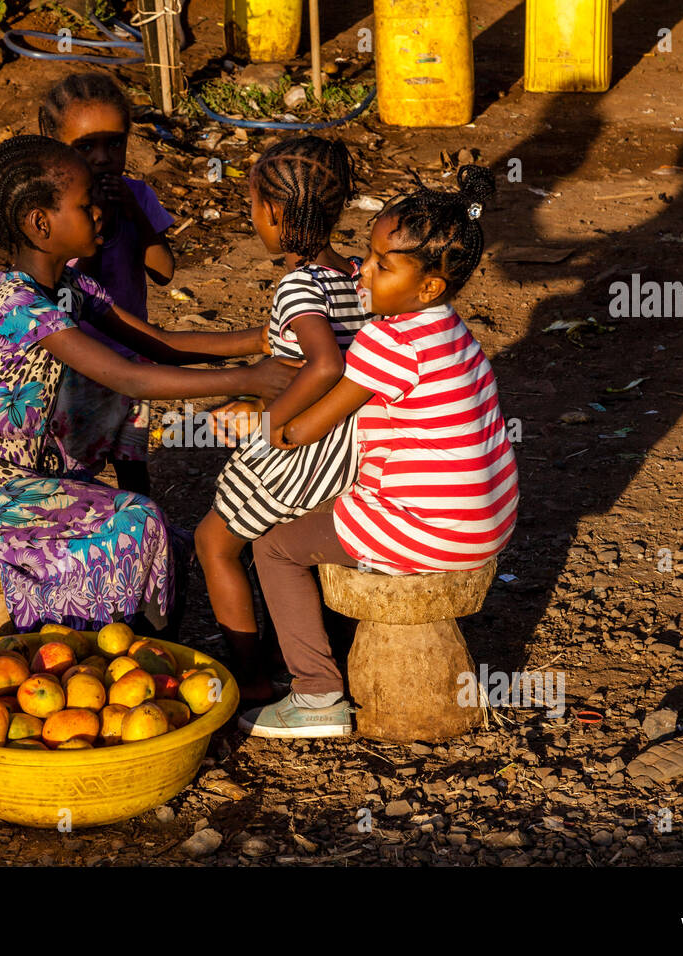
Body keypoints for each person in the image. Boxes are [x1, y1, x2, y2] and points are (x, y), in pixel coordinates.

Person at [0, 134, 298, 633]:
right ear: (40, 223)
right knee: (138, 522)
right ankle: (111, 653)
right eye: (84, 204)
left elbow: (158, 342)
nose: (100, 212)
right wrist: (251, 379)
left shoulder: (70, 288)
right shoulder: (21, 308)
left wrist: (268, 337)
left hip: (21, 473)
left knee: (170, 537)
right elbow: (128, 376)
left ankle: (136, 657)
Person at [238, 166, 521, 737]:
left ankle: (315, 697)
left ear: (429, 287)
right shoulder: (453, 332)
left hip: (430, 529)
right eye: (367, 254)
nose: (361, 270)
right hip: (491, 520)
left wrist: (261, 421)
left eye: (381, 264)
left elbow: (302, 430)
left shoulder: (388, 340)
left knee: (274, 546)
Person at [192, 135, 372, 703]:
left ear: (272, 213)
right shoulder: (354, 272)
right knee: (286, 543)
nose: (252, 218)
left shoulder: (298, 284)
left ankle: (250, 678)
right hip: (353, 446)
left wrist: (273, 427)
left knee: (214, 542)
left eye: (251, 206)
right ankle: (288, 651)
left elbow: (324, 363)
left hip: (305, 445)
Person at [38, 72, 175, 496]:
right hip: (74, 362)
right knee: (69, 464)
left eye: (114, 143)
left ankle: (148, 530)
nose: (102, 157)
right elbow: (75, 284)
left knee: (132, 460)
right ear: (54, 145)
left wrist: (133, 213)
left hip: (133, 351)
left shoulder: (137, 195)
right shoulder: (53, 208)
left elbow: (164, 271)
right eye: (85, 147)